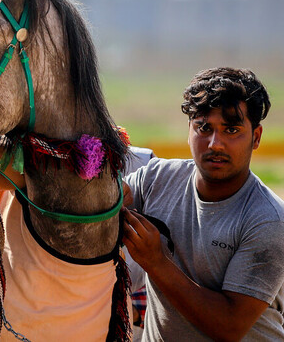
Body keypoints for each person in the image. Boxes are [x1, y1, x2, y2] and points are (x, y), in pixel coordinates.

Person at [122, 67, 284, 341]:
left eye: (231, 130)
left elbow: (228, 327)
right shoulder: (156, 178)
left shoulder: (268, 220)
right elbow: (100, 205)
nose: (215, 144)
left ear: (256, 137)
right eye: (204, 127)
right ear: (189, 130)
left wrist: (156, 262)